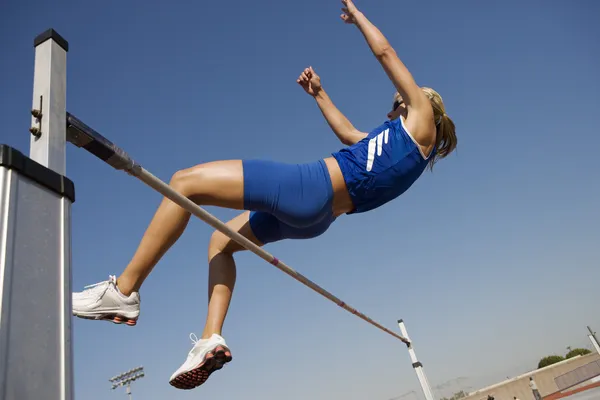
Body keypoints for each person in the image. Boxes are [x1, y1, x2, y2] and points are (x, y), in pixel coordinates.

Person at [72, 0, 457, 391]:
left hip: (310, 186)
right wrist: (319, 94)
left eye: (397, 102)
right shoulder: (392, 145)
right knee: (220, 242)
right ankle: (211, 337)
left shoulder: (420, 122)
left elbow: (386, 52)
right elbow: (347, 135)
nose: (392, 106)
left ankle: (124, 290)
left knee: (183, 182)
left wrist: (357, 16)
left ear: (415, 104)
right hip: (318, 219)